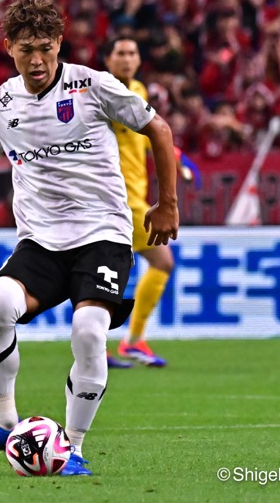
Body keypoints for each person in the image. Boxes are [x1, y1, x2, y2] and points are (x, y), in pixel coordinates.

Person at [0, 0, 179, 476]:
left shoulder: (93, 85)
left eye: (46, 48)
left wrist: (167, 202)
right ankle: (3, 420)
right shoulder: (0, 104)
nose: (37, 60)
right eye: (26, 49)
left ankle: (72, 446)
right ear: (8, 48)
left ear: (59, 45)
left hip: (103, 235)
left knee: (89, 332)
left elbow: (159, 129)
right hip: (41, 242)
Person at [102, 37, 200, 369]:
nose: (127, 59)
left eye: (132, 53)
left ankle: (111, 344)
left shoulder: (139, 91)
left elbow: (147, 138)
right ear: (108, 59)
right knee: (158, 262)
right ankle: (129, 341)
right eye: (121, 53)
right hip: (115, 200)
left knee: (110, 271)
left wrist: (179, 158)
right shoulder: (100, 93)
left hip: (133, 199)